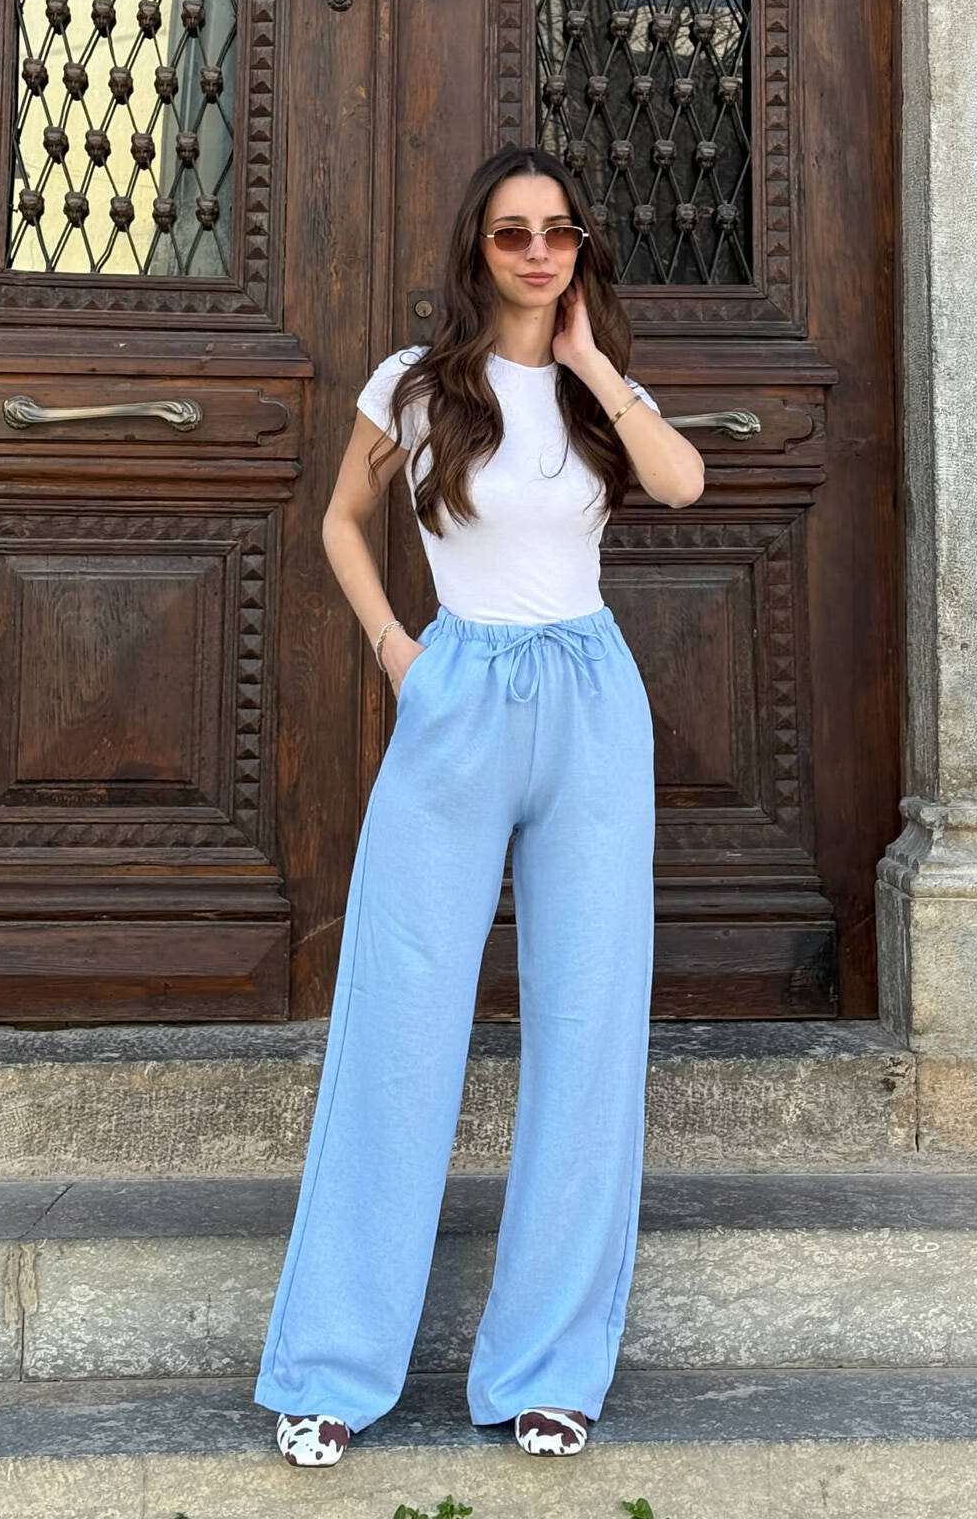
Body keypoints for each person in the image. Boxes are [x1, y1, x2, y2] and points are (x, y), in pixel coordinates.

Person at [253, 144, 705, 1467]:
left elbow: (682, 482)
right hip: (456, 695)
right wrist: (399, 652)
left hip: (591, 705)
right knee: (397, 1020)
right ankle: (331, 1368)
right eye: (513, 233)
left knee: (588, 1027)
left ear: (581, 249)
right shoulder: (414, 386)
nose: (538, 253)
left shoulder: (599, 393)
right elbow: (341, 522)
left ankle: (548, 1371)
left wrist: (590, 365)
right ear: (477, 248)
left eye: (560, 232)